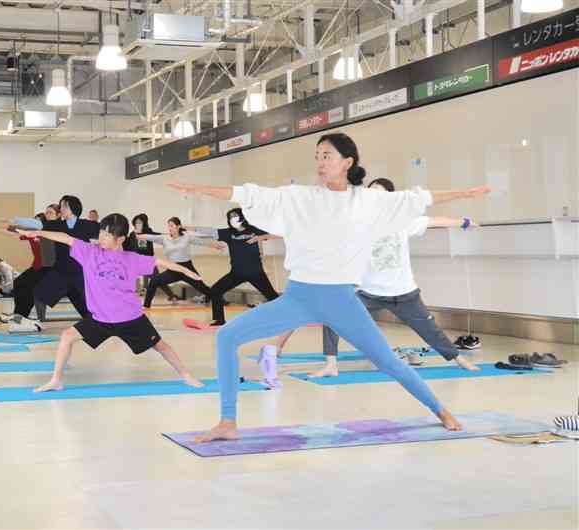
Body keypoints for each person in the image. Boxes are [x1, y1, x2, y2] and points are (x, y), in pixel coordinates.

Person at [167, 132, 492, 442]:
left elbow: (418, 199)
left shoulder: (367, 201)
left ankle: (441, 410)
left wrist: (464, 195)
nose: (320, 162)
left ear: (347, 162)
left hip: (341, 299)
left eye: (327, 156)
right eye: (317, 156)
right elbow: (250, 194)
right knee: (227, 336)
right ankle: (227, 422)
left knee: (388, 361)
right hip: (298, 297)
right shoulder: (300, 197)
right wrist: (200, 189)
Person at [265, 177, 480, 376]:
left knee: (429, 329)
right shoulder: (357, 223)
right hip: (367, 292)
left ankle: (458, 358)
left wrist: (464, 222)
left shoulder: (404, 221)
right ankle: (331, 364)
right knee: (333, 314)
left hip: (403, 292)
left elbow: (435, 220)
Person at [16, 213, 203, 392]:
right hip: (100, 319)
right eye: (101, 233)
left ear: (120, 239)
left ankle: (186, 375)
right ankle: (56, 380)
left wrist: (186, 272)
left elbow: (160, 262)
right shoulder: (89, 252)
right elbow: (65, 237)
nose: (102, 238)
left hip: (130, 318)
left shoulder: (131, 259)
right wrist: (38, 232)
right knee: (67, 336)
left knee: (161, 346)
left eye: (107, 235)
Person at [11, 195, 100, 322]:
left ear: (73, 208)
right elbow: (38, 224)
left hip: (80, 271)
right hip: (61, 271)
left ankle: (99, 322)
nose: (61, 209)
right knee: (38, 293)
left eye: (64, 206)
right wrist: (16, 221)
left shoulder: (88, 225)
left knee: (84, 304)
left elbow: (104, 235)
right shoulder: (56, 225)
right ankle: (31, 319)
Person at [186, 208, 280, 326]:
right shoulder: (228, 233)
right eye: (230, 217)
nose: (232, 219)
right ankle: (219, 319)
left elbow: (279, 234)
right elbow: (210, 231)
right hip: (237, 273)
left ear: (242, 216)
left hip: (256, 273)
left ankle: (288, 315)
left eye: (235, 216)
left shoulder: (253, 230)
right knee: (215, 290)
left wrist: (260, 237)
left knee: (272, 296)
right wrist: (191, 228)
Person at [138, 217, 218, 308]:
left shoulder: (186, 236)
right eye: (168, 226)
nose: (169, 228)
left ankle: (220, 301)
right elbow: (151, 237)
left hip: (187, 268)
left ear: (178, 226)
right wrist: (137, 236)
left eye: (171, 226)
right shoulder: (165, 238)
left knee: (203, 288)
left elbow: (200, 241)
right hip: (173, 269)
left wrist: (215, 245)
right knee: (154, 281)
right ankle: (146, 305)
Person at [123, 213, 178, 301]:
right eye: (136, 223)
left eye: (140, 222)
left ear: (144, 223)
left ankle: (171, 295)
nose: (138, 224)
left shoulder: (147, 232)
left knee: (157, 279)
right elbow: (128, 247)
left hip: (146, 261)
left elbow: (156, 237)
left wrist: (171, 235)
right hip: (135, 261)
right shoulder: (132, 234)